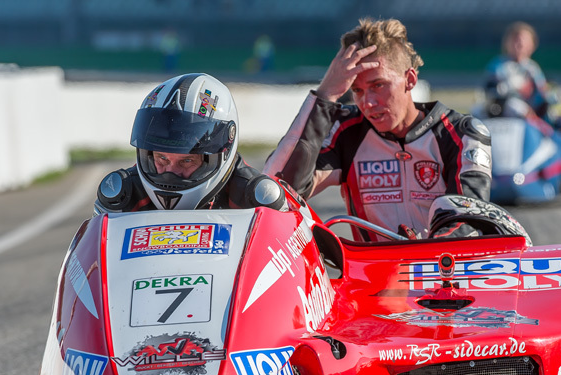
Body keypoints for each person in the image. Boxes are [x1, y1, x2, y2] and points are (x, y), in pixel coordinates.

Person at [263, 18, 526, 241]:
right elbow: (276, 189)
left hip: (447, 278)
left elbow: (471, 221)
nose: (367, 102)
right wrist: (325, 95)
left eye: (378, 85)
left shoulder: (461, 133)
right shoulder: (347, 132)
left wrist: (415, 257)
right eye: (357, 90)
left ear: (410, 79)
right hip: (372, 285)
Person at [94, 73, 285, 214]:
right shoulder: (122, 196)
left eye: (186, 161)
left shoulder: (255, 198)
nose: (171, 174)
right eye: (162, 158)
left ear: (221, 153)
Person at [483, 21, 561, 135]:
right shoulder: (498, 66)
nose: (519, 44)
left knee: (556, 108)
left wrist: (551, 96)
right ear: (507, 43)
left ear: (532, 44)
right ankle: (542, 128)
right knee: (515, 106)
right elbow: (492, 91)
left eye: (524, 40)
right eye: (515, 40)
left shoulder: (532, 68)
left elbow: (541, 91)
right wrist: (514, 87)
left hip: (533, 110)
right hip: (507, 115)